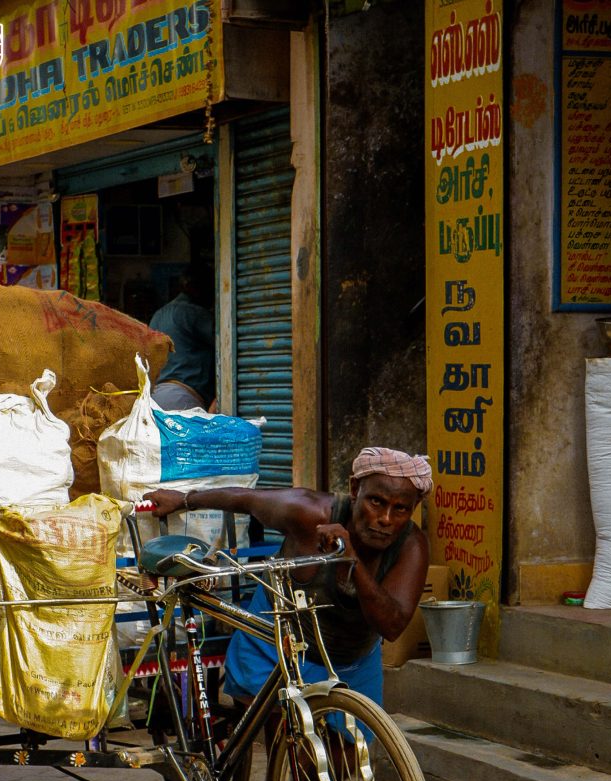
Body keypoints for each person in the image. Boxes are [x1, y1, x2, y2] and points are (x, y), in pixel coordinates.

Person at [144, 446, 433, 710]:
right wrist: (183, 500)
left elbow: (392, 626)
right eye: (376, 502)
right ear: (355, 489)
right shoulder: (307, 513)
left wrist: (351, 558)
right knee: (286, 742)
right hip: (276, 641)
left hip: (349, 660)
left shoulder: (411, 547)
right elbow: (247, 499)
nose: (385, 518)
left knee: (350, 755)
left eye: (401, 509)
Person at [149, 264, 214, 411]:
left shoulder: (158, 314)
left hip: (155, 396)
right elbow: (224, 345)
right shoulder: (194, 313)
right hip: (182, 398)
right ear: (193, 287)